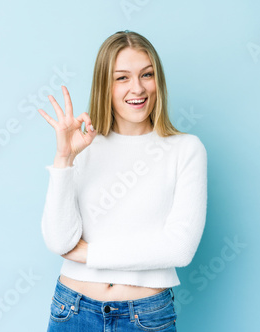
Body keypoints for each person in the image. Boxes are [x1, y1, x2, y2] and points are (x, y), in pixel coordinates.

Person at [38, 30, 208, 331]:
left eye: (147, 74)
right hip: (72, 310)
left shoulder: (185, 149)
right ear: (105, 85)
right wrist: (64, 158)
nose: (138, 88)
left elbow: (179, 249)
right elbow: (59, 241)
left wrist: (89, 254)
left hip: (146, 317)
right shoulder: (84, 146)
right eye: (122, 78)